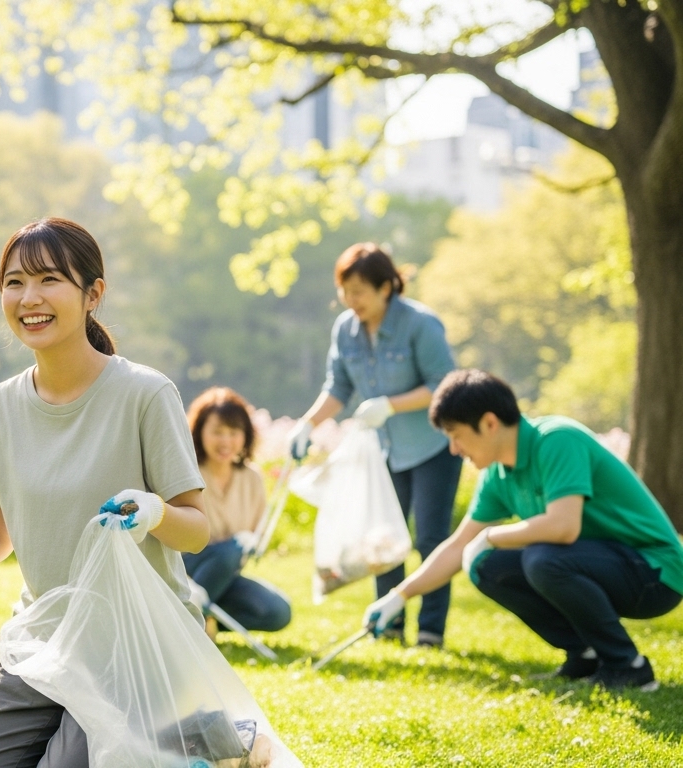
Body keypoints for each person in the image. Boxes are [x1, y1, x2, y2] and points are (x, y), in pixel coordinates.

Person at [0, 217, 210, 767]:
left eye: (49, 279)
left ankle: (199, 740)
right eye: (14, 282)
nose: (29, 298)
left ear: (92, 294)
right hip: (43, 644)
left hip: (139, 648)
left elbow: (197, 530)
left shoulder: (145, 394)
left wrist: (153, 512)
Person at [364, 370, 683, 690]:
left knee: (542, 559)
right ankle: (584, 654)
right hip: (603, 565)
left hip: (655, 573)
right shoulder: (497, 475)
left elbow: (563, 527)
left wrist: (490, 536)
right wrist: (397, 597)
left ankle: (628, 666)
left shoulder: (557, 440)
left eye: (456, 435)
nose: (454, 449)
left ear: (489, 423)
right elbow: (460, 544)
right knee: (484, 565)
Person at [288, 243, 460, 647]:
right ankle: (390, 626)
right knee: (382, 537)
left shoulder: (420, 324)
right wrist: (307, 424)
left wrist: (390, 404)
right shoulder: (345, 330)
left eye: (360, 291)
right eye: (346, 291)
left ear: (387, 287)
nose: (352, 300)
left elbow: (444, 385)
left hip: (432, 446)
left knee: (431, 538)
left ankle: (431, 631)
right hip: (383, 451)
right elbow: (339, 387)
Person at [183, 387, 292, 633]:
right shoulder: (187, 473)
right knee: (231, 550)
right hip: (186, 573)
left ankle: (201, 617)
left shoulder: (251, 477)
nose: (226, 441)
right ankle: (189, 616)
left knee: (278, 611)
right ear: (200, 433)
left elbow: (256, 535)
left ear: (245, 436)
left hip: (227, 574)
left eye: (234, 432)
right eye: (217, 432)